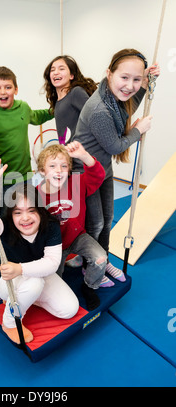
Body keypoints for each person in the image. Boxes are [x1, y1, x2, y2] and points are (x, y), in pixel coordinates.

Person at [71, 48, 160, 280]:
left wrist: (149, 82)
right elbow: (115, 146)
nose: (130, 86)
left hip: (103, 170)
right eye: (124, 77)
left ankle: (105, 259)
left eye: (136, 79)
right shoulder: (100, 108)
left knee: (107, 219)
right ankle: (91, 262)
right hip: (86, 172)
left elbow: (130, 102)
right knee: (96, 222)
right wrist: (138, 131)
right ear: (109, 74)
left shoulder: (114, 98)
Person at [0, 160, 79, 344]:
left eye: (31, 211)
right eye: (18, 212)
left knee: (69, 309)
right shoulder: (4, 226)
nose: (25, 218)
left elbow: (52, 263)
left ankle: (26, 299)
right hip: (5, 279)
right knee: (34, 284)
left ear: (40, 211)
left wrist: (20, 269)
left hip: (35, 274)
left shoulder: (51, 225)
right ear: (10, 215)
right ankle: (10, 323)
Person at [37, 141, 107, 310]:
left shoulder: (77, 183)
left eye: (63, 166)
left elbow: (98, 175)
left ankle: (89, 287)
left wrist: (83, 155)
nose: (59, 170)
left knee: (101, 258)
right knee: (54, 282)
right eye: (52, 166)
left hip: (77, 237)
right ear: (42, 171)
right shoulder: (36, 195)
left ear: (69, 170)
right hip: (55, 245)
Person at [0, 66, 53, 212]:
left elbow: (37, 116)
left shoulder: (23, 107)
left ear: (16, 90)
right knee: (7, 219)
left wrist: (57, 108)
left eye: (8, 87)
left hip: (26, 176)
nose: (3, 92)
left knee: (29, 213)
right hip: (3, 180)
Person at [43, 55, 97, 144]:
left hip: (83, 152)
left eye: (61, 69)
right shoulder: (58, 102)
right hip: (68, 154)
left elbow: (95, 119)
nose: (56, 72)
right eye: (52, 70)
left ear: (71, 76)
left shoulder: (76, 93)